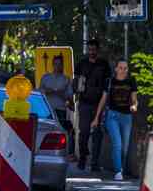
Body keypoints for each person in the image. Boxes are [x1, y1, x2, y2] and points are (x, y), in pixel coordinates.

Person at [91, 58, 137, 182]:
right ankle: (118, 171)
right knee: (117, 143)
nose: (123, 70)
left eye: (125, 68)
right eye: (121, 68)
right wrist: (96, 118)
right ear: (116, 69)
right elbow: (103, 99)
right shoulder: (110, 81)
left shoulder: (131, 81)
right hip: (112, 116)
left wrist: (134, 106)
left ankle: (121, 168)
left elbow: (134, 99)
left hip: (126, 117)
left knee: (125, 148)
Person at [73, 38, 110, 171]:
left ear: (97, 50)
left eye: (93, 50)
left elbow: (107, 85)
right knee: (83, 132)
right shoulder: (82, 64)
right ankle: (82, 159)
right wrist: (75, 94)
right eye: (89, 49)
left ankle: (94, 163)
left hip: (99, 104)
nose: (91, 52)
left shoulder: (104, 65)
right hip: (84, 103)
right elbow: (76, 81)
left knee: (97, 134)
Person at [38, 55, 72, 133]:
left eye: (60, 64)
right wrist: (48, 91)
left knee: (60, 133)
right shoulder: (45, 77)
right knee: (46, 132)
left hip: (60, 110)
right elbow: (40, 93)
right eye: (56, 64)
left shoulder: (66, 79)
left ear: (62, 65)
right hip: (48, 110)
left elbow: (69, 97)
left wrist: (61, 93)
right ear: (53, 65)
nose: (58, 66)